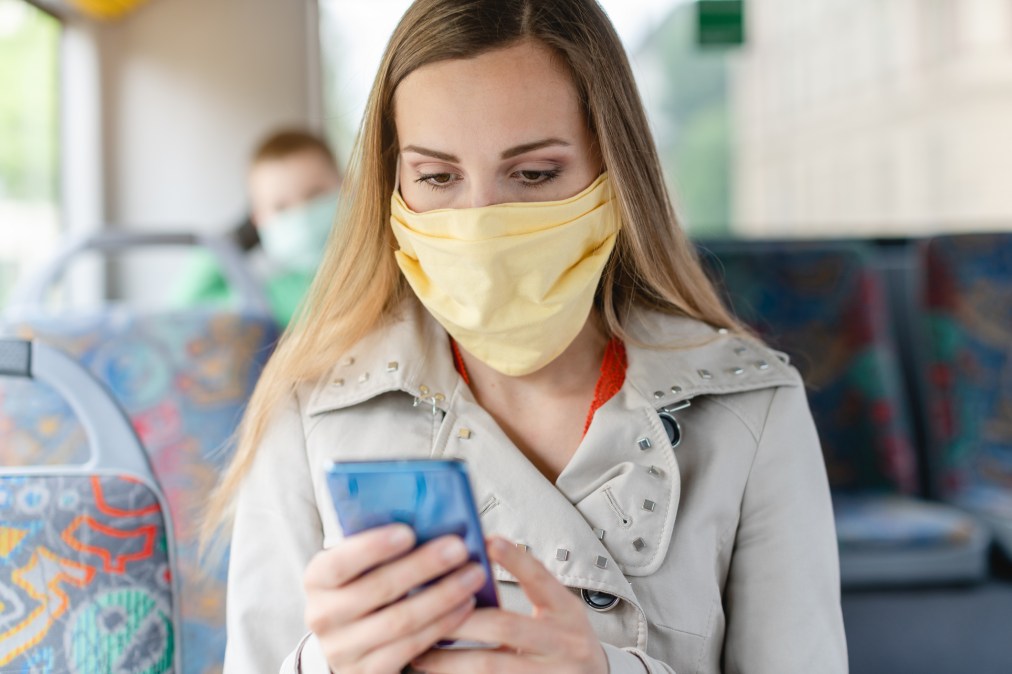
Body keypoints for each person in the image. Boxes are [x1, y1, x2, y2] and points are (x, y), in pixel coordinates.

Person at [206, 1, 848, 672]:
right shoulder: (308, 406)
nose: (481, 225)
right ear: (392, 183)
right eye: (437, 177)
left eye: (534, 175)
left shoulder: (754, 409)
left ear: (612, 172)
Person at [173, 129, 342, 326]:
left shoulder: (381, 267)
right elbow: (183, 314)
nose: (302, 214)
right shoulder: (266, 299)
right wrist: (230, 242)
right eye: (281, 207)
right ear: (257, 221)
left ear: (348, 186)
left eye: (315, 194)